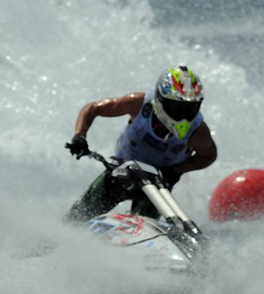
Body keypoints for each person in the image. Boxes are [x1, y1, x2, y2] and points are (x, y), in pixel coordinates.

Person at [64, 65, 217, 222]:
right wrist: (80, 136)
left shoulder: (199, 132)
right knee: (74, 220)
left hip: (156, 186)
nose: (183, 115)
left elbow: (209, 156)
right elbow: (93, 108)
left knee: (144, 226)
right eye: (177, 107)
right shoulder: (138, 104)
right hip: (119, 175)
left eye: (190, 108)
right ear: (160, 99)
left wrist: (178, 170)